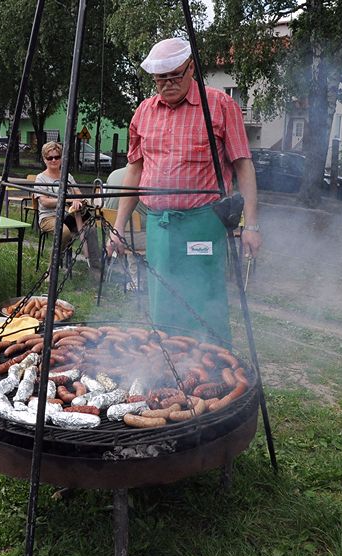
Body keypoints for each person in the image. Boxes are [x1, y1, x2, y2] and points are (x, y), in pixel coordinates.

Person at [106, 37, 262, 340]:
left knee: (204, 296)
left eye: (175, 75)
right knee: (162, 294)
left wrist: (252, 224)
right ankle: (170, 365)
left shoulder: (220, 105)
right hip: (159, 223)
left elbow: (243, 165)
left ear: (191, 69)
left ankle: (214, 366)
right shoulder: (143, 112)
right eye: (160, 78)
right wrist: (118, 227)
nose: (167, 84)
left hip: (203, 223)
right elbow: (134, 171)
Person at [36, 141, 91, 260]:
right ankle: (52, 271)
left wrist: (77, 200)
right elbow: (44, 202)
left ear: (61, 158)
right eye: (50, 158)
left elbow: (78, 194)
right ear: (44, 159)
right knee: (64, 233)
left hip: (69, 216)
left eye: (57, 157)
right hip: (48, 217)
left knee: (91, 230)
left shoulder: (68, 176)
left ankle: (96, 268)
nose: (54, 160)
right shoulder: (40, 178)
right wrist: (64, 199)